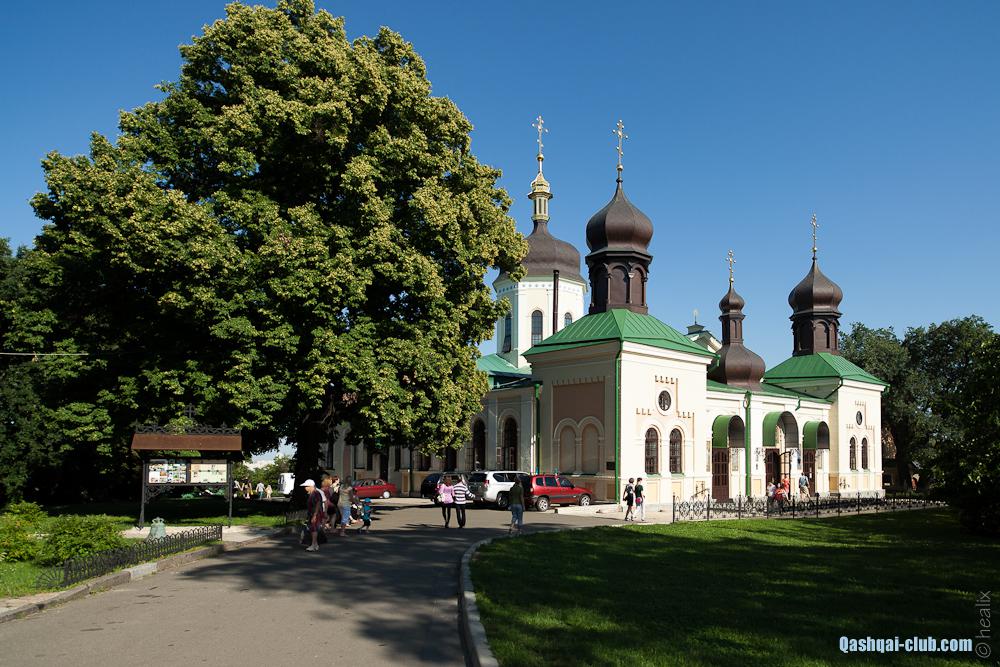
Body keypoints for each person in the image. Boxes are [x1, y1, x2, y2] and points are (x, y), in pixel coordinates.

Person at [301, 479, 325, 552]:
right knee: (312, 528)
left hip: (316, 514)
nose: (305, 488)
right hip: (313, 513)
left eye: (306, 486)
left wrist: (315, 515)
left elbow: (318, 504)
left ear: (311, 486)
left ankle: (313, 545)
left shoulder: (315, 493)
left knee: (314, 529)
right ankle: (316, 544)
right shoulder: (312, 493)